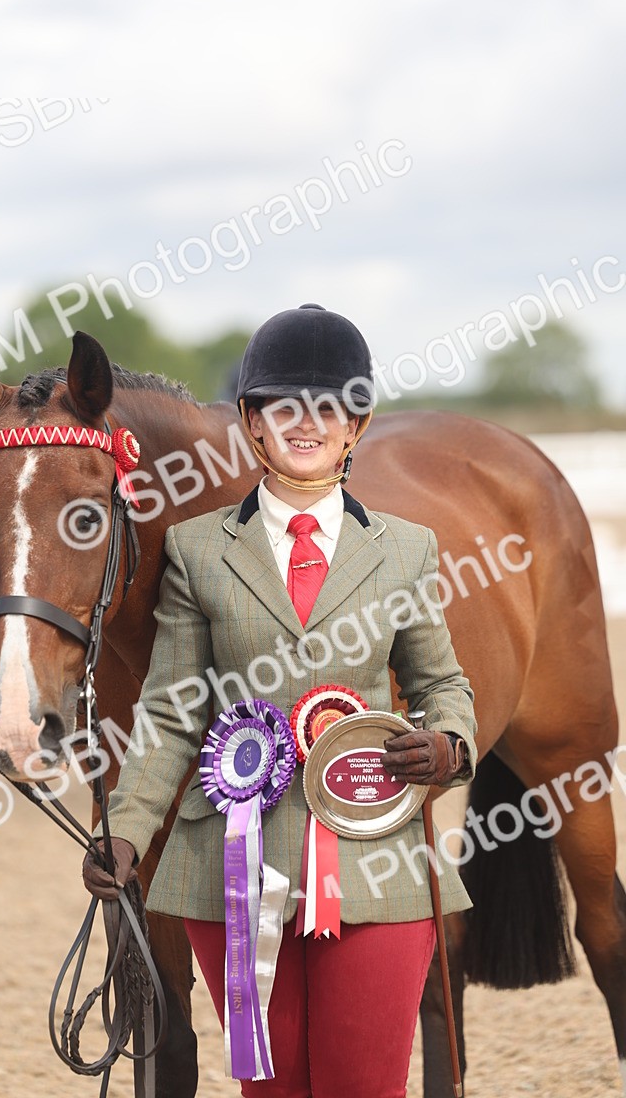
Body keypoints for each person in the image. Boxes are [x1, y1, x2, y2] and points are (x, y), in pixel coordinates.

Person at [83, 303, 477, 1098]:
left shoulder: (406, 548)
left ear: (357, 425)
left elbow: (443, 685)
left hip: (372, 854)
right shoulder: (197, 551)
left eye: (329, 406)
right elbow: (168, 709)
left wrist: (448, 746)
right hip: (231, 870)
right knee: (271, 1089)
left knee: (363, 1086)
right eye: (282, 407)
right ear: (253, 425)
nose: (307, 423)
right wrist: (124, 832)